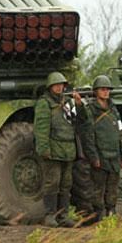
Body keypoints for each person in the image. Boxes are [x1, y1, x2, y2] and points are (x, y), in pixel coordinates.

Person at [34, 71, 90, 228]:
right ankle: (50, 215)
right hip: (53, 150)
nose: (59, 88)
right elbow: (41, 129)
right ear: (50, 87)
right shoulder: (45, 104)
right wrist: (44, 149)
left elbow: (81, 120)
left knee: (66, 184)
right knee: (52, 183)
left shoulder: (68, 103)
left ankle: (63, 215)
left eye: (61, 85)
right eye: (56, 85)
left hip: (68, 150)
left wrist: (79, 106)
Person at [86, 74, 122, 221]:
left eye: (107, 89)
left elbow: (120, 134)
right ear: (96, 91)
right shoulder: (90, 110)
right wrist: (94, 157)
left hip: (114, 156)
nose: (106, 92)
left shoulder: (113, 110)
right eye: (102, 89)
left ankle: (111, 211)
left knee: (112, 187)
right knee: (98, 188)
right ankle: (98, 214)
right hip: (100, 156)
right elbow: (89, 136)